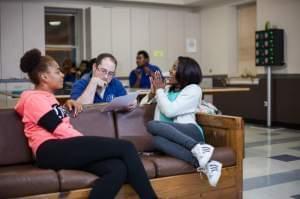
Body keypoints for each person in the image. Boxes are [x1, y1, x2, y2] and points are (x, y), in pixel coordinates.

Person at [15, 49, 158, 199]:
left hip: (60, 148)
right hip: (49, 150)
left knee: (117, 168)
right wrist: (83, 140)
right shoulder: (34, 99)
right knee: (126, 147)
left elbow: (53, 119)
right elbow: (57, 128)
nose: (62, 75)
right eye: (57, 72)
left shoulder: (48, 98)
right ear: (44, 76)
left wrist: (66, 106)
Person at [141, 56, 222, 187]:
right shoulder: (166, 90)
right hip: (173, 138)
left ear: (184, 72)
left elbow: (170, 111)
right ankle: (208, 164)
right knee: (156, 141)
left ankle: (196, 146)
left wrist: (160, 91)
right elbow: (142, 104)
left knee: (152, 125)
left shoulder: (193, 90)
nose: (170, 70)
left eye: (174, 67)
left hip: (190, 132)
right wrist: (152, 93)